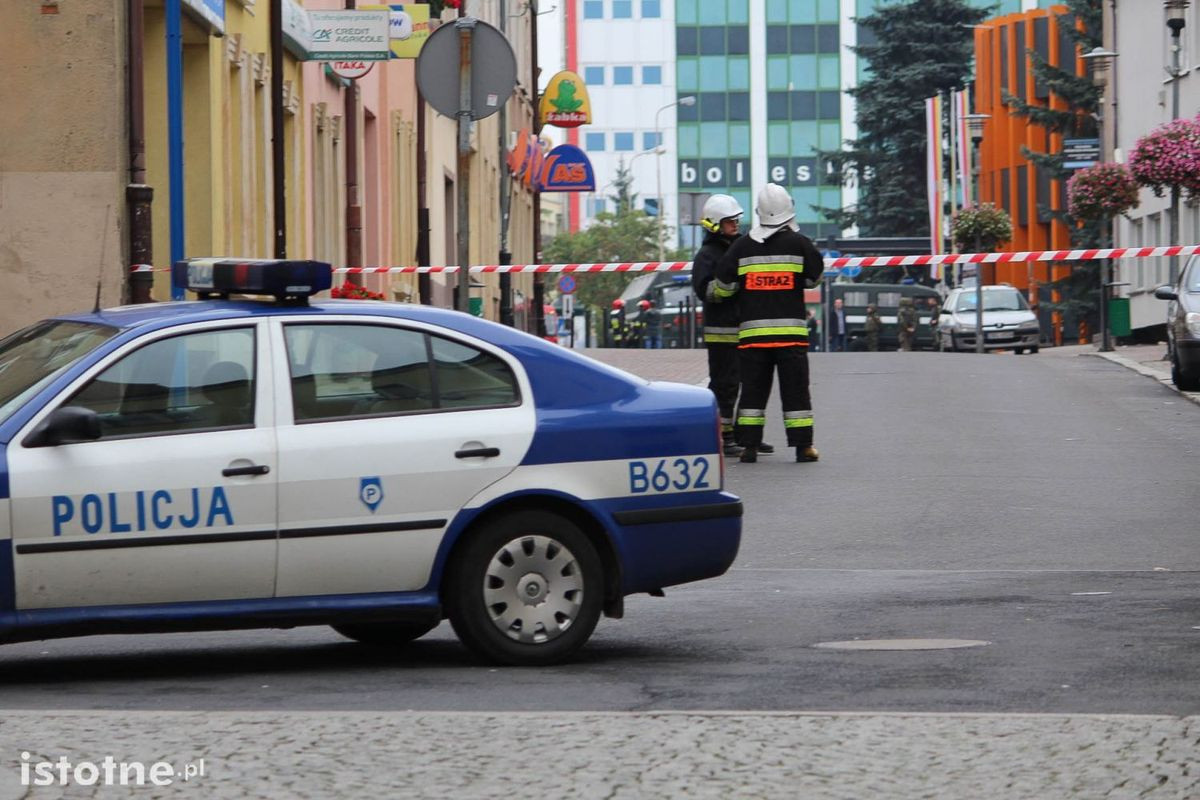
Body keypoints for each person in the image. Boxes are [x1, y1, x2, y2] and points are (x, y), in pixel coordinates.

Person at [713, 183, 824, 464]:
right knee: (796, 392)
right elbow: (814, 278)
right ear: (789, 210)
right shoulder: (801, 244)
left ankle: (749, 447)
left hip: (754, 338)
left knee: (752, 392)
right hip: (791, 337)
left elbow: (724, 286)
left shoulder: (741, 246)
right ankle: (803, 447)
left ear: (759, 212)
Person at [691, 194, 773, 457]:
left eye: (736, 220)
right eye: (729, 221)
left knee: (751, 384)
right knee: (725, 386)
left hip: (746, 329)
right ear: (715, 224)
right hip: (722, 333)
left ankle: (745, 435)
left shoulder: (740, 248)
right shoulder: (707, 255)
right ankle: (722, 437)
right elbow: (706, 291)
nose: (735, 225)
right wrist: (733, 285)